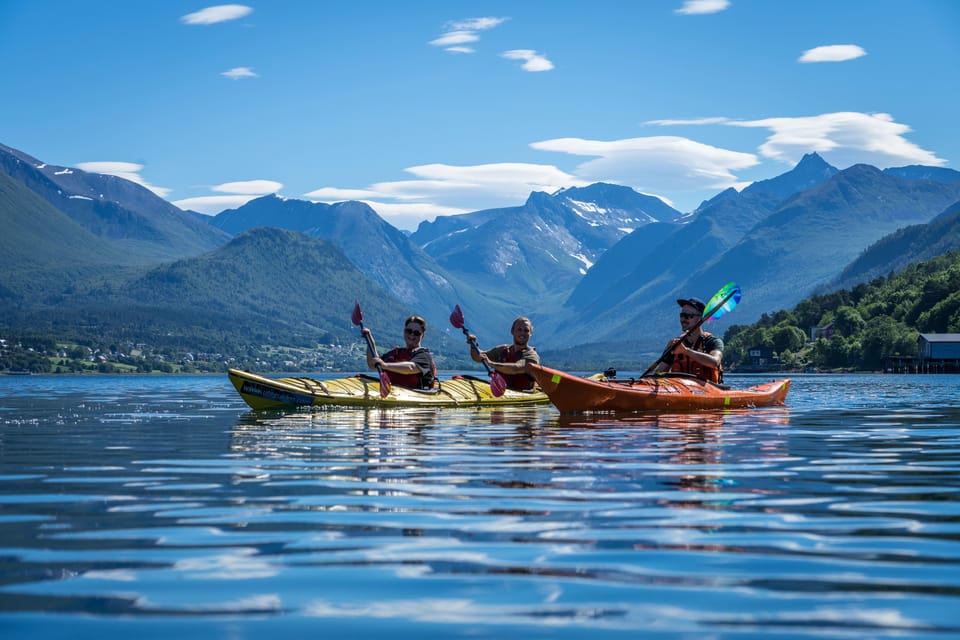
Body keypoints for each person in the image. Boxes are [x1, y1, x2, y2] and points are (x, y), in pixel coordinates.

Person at [654, 296, 724, 383]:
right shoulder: (675, 344)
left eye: (688, 316)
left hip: (708, 391)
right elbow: (659, 372)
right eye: (682, 315)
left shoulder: (713, 342)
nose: (683, 319)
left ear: (700, 318)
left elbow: (715, 361)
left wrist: (686, 351)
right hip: (681, 390)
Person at [362, 315, 436, 390]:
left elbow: (411, 367)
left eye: (417, 333)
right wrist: (370, 342)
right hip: (394, 392)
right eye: (409, 331)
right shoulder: (396, 353)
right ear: (404, 331)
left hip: (416, 394)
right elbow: (373, 365)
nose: (412, 334)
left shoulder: (424, 356)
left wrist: (385, 365)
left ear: (422, 335)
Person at [467, 317, 540, 391]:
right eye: (519, 330)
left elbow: (516, 368)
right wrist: (473, 345)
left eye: (526, 330)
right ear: (512, 331)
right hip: (500, 391)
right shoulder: (502, 350)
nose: (522, 333)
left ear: (530, 333)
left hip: (522, 393)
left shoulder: (532, 356)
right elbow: (478, 357)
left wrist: (492, 363)